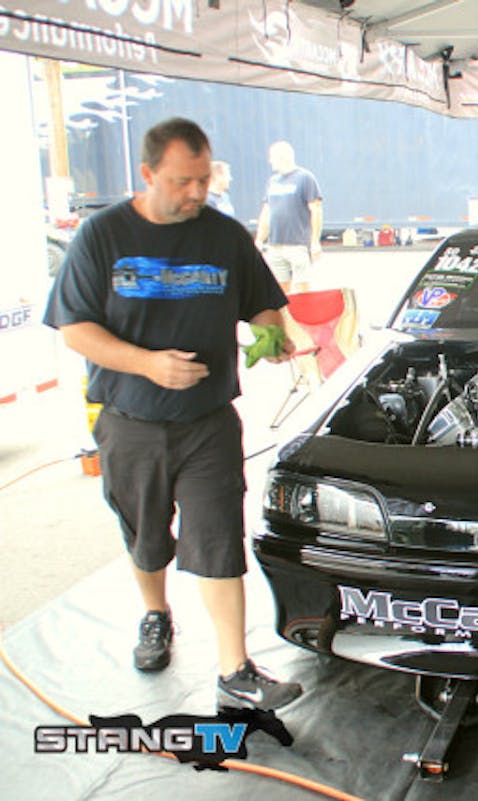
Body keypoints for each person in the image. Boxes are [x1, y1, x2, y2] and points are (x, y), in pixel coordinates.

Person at [43, 118, 303, 712]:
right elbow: (75, 328)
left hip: (208, 420)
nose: (196, 193)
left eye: (204, 179)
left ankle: (235, 669)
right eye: (183, 181)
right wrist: (146, 364)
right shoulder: (102, 236)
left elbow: (264, 303)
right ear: (147, 174)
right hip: (130, 419)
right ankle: (156, 613)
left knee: (217, 537)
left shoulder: (224, 235)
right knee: (147, 533)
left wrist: (270, 335)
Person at [254, 140, 323, 293]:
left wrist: (315, 242)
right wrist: (259, 239)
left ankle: (304, 316)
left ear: (282, 156)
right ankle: (285, 317)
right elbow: (266, 212)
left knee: (302, 289)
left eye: (272, 157)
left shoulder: (305, 178)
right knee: (280, 291)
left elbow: (316, 211)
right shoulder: (272, 182)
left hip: (298, 244)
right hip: (275, 245)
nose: (270, 161)